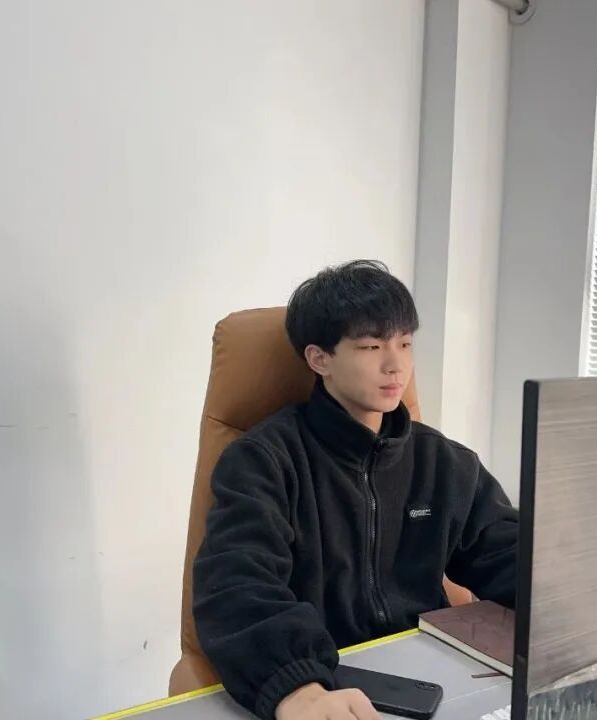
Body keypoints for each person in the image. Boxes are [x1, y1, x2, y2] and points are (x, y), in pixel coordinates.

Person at [192, 260, 519, 720]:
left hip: (434, 679)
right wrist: (298, 688)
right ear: (319, 359)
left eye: (404, 343)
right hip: (324, 678)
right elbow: (238, 585)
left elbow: (508, 555)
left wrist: (578, 600)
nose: (396, 365)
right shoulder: (263, 461)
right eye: (371, 346)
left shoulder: (443, 461)